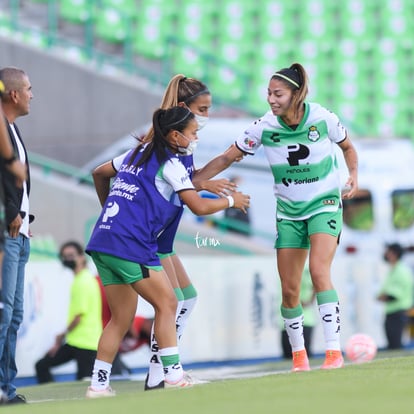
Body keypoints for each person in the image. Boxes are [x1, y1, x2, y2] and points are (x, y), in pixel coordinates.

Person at [195, 62, 358, 371]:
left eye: (278, 94)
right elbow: (228, 156)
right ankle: (299, 357)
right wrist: (195, 181)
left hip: (324, 205)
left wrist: (354, 175)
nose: (271, 99)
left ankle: (334, 353)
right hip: (288, 213)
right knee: (290, 289)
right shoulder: (264, 126)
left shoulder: (323, 118)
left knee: (319, 271)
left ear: (295, 94)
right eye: (268, 93)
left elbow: (348, 147)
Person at [85, 106, 249, 397]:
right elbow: (197, 205)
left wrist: (109, 209)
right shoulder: (171, 164)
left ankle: (98, 385)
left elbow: (99, 173)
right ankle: (173, 376)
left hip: (103, 240)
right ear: (175, 135)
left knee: (120, 318)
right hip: (131, 244)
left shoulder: (136, 153)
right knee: (168, 304)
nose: (196, 137)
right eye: (193, 133)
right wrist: (231, 202)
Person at [0, 67, 34, 405]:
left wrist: (24, 217)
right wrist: (10, 213)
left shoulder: (13, 129)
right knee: (3, 312)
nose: (31, 94)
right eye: (28, 88)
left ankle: (6, 388)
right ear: (13, 94)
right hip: (6, 233)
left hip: (20, 232)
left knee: (14, 316)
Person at [35, 241, 102, 383]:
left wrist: (61, 336)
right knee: (42, 365)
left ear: (82, 257)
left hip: (86, 342)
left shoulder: (83, 281)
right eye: (65, 256)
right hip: (78, 341)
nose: (68, 260)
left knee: (84, 383)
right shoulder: (82, 279)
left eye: (71, 255)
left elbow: (78, 317)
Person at [96, 275, 153, 376]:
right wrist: (131, 330)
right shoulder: (139, 323)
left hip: (112, 349)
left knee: (120, 371)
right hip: (103, 340)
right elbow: (127, 319)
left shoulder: (146, 338)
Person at [377, 243, 414, 350]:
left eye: (388, 251)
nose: (385, 254)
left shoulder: (400, 271)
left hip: (398, 312)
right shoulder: (394, 270)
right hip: (394, 312)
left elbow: (393, 295)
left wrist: (382, 297)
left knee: (395, 346)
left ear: (394, 254)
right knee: (393, 344)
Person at [280, 267, 316, 359]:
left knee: (304, 354)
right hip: (284, 320)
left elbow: (317, 282)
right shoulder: (281, 263)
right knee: (288, 356)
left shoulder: (305, 266)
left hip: (305, 320)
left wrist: (309, 301)